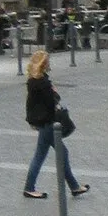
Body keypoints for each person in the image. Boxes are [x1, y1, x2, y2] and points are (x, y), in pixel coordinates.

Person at [21, 52, 88, 201]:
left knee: (43, 155)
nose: (50, 63)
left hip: (43, 122)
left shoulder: (33, 80)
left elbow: (32, 104)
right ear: (44, 64)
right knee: (58, 154)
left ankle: (73, 186)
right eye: (48, 61)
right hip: (48, 123)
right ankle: (72, 187)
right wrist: (55, 93)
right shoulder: (43, 83)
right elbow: (51, 102)